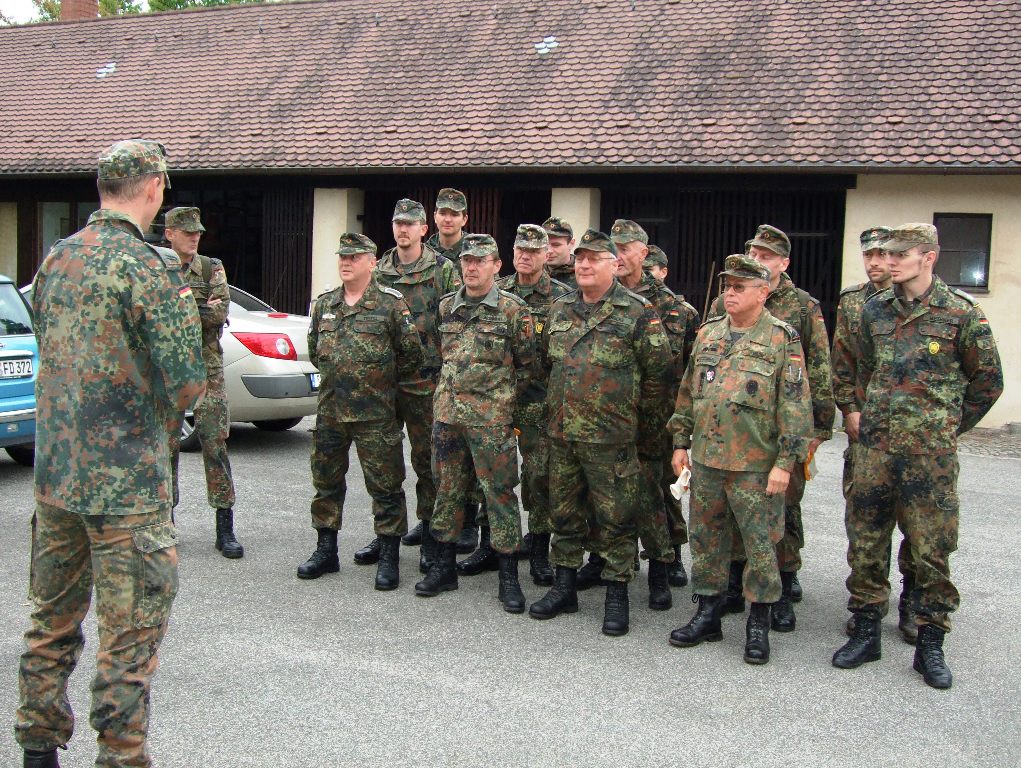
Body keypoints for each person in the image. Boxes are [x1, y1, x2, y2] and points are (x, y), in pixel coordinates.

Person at [16, 140, 206, 768]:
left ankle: (37, 747)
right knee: (129, 639)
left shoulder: (57, 258)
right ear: (154, 188)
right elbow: (187, 382)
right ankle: (121, 757)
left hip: (57, 479)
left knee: (50, 623)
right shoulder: (148, 268)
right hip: (126, 489)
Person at [832, 224, 1002, 689]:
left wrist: (946, 424)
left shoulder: (960, 312)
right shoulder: (873, 310)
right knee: (866, 541)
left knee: (931, 548)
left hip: (930, 456)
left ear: (928, 257)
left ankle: (930, 643)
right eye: (886, 254)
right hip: (875, 451)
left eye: (900, 254)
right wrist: (861, 412)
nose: (889, 261)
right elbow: (861, 367)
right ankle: (866, 630)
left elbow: (988, 381)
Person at [667, 254, 812, 665]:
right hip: (708, 460)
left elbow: (795, 407)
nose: (729, 293)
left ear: (763, 293)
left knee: (760, 545)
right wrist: (680, 442)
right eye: (726, 286)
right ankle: (708, 614)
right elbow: (688, 392)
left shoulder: (781, 339)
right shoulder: (709, 333)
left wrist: (785, 463)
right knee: (706, 539)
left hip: (756, 465)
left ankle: (758, 624)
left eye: (739, 287)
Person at [528, 229, 672, 636]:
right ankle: (564, 586)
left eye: (594, 258)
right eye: (580, 259)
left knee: (616, 519)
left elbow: (659, 376)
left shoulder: (637, 311)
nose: (585, 265)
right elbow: (547, 365)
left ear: (615, 264)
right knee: (564, 513)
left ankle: (617, 594)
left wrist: (640, 430)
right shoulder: (559, 309)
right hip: (563, 435)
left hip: (613, 438)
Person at [710, 224, 835, 631]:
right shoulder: (726, 300)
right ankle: (734, 580)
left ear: (784, 263)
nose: (757, 259)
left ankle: (783, 581)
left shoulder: (802, 305)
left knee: (783, 507)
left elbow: (818, 366)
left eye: (765, 255)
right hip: (735, 429)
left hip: (782, 426)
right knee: (733, 507)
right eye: (754, 252)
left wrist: (817, 428)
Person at [296, 233, 424, 590]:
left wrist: (377, 384)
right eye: (343, 257)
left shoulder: (390, 304)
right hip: (331, 412)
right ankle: (326, 550)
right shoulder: (325, 304)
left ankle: (388, 556)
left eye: (354, 257)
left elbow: (411, 355)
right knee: (325, 483)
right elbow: (316, 351)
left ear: (372, 262)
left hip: (375, 414)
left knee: (386, 486)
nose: (346, 262)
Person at [415, 234, 535, 613]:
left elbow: (528, 367)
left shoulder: (514, 311)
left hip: (491, 422)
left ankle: (508, 576)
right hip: (448, 418)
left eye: (480, 261)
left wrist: (501, 404)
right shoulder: (446, 307)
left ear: (496, 266)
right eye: (467, 260)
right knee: (447, 491)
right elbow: (439, 357)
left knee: (499, 495)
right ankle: (443, 567)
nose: (471, 267)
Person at [356, 200, 460, 572]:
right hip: (385, 381)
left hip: (425, 381)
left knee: (428, 461)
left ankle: (431, 533)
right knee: (382, 462)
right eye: (398, 222)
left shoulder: (443, 269)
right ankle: (388, 532)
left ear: (422, 229)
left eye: (410, 223)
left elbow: (456, 320)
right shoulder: (378, 270)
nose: (403, 229)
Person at [606, 219, 699, 610]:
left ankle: (666, 561)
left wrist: (684, 429)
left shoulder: (675, 309)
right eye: (614, 247)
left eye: (626, 248)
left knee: (658, 496)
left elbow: (692, 374)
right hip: (612, 418)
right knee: (611, 495)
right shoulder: (599, 298)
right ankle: (613, 562)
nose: (618, 255)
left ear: (643, 253)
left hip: (657, 421)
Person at [830, 227, 917, 643]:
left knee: (917, 524)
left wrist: (944, 423)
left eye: (884, 254)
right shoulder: (853, 302)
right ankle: (869, 604)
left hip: (917, 438)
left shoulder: (933, 304)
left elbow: (983, 383)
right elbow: (841, 363)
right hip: (866, 433)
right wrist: (849, 409)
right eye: (870, 255)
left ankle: (913, 601)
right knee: (865, 521)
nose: (877, 263)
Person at [164, 206, 243, 558]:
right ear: (170, 234)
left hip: (207, 368)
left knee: (215, 443)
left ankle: (225, 527)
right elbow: (151, 317)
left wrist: (176, 312)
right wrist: (198, 312)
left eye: (198, 232)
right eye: (187, 232)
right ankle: (164, 522)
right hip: (168, 372)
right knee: (166, 448)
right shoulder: (156, 268)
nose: (195, 237)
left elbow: (219, 312)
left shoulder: (211, 268)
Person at [497, 224, 571, 585]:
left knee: (540, 477)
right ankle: (492, 544)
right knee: (493, 475)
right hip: (496, 400)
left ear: (546, 255)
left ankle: (540, 548)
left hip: (539, 402)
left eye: (533, 250)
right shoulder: (497, 291)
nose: (525, 256)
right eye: (520, 249)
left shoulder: (563, 298)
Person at [425, 187, 469, 269]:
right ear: (435, 216)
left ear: (464, 219)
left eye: (454, 214)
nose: (448, 220)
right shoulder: (424, 253)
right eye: (442, 213)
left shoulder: (476, 250)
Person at [543, 216, 578, 290]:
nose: (549, 250)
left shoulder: (583, 275)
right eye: (545, 245)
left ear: (571, 243)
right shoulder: (534, 273)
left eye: (556, 245)